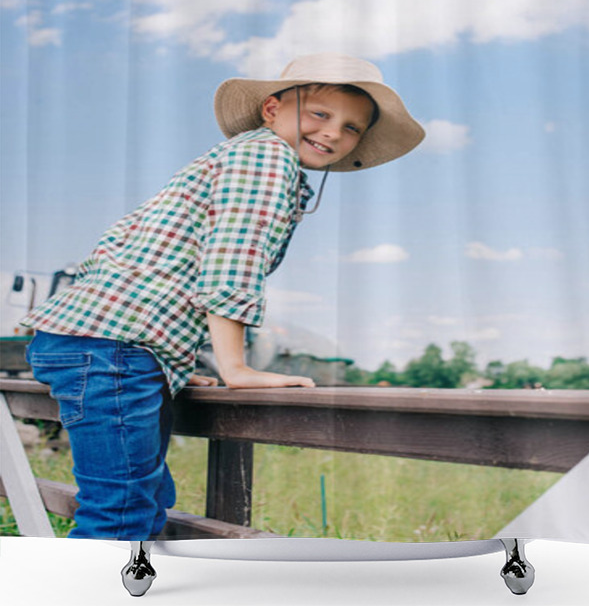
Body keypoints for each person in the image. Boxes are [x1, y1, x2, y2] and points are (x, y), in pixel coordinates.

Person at [21, 52, 425, 540]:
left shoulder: (233, 158)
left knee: (144, 503)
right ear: (272, 110)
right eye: (320, 113)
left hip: (108, 342)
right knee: (119, 512)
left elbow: (128, 249)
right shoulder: (267, 157)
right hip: (111, 348)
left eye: (352, 128)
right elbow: (233, 261)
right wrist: (236, 368)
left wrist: (168, 354)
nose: (334, 133)